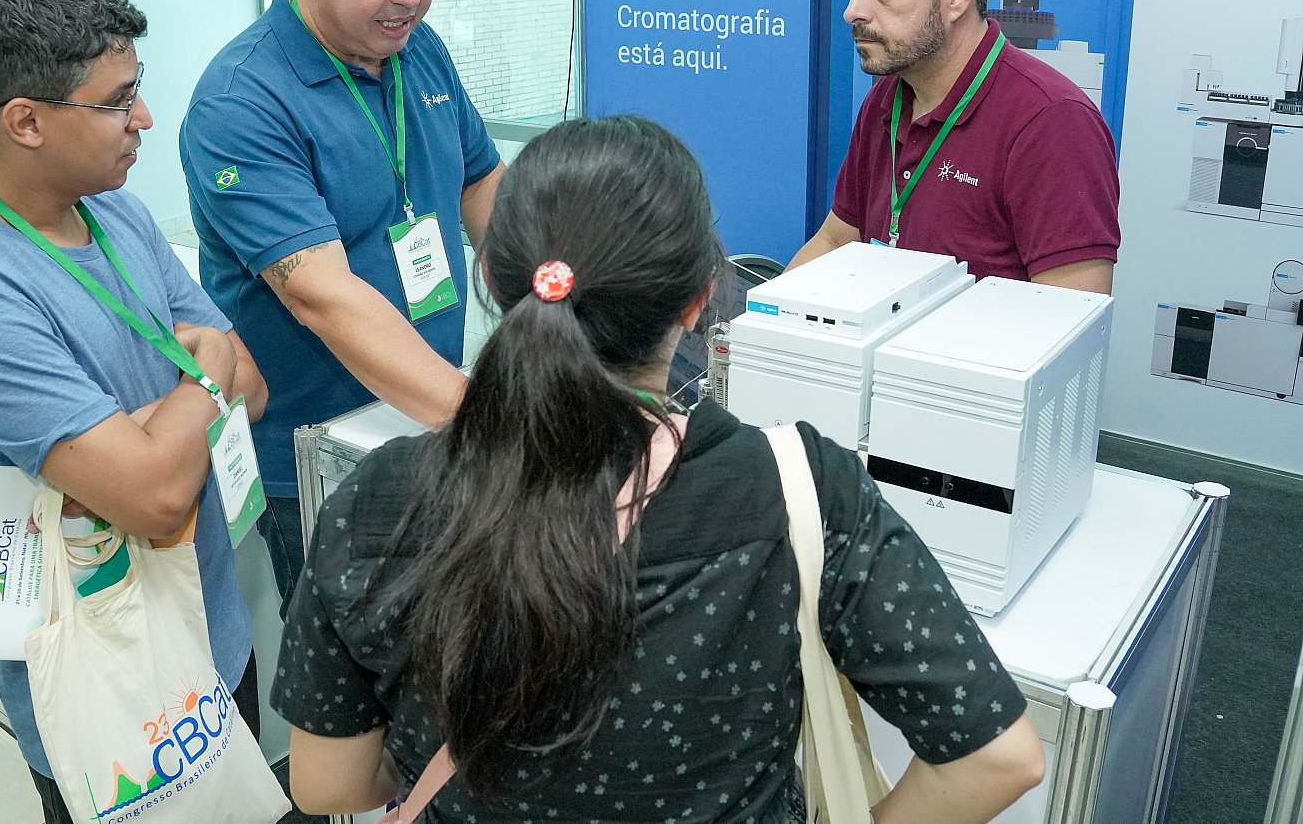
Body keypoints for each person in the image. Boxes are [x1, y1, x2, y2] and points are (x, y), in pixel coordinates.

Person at [271, 115, 1046, 823]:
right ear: (698, 301)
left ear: (499, 283)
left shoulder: (376, 502)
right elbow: (998, 758)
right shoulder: (796, 488)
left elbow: (326, 785)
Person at [0, 0, 268, 823]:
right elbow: (156, 493)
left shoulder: (113, 210)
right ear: (25, 120)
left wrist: (177, 411)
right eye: (118, 101)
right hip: (107, 692)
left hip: (212, 638)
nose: (145, 118)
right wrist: (203, 371)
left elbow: (253, 389)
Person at [181, 0, 504, 608]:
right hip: (317, 455)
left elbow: (482, 182)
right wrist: (487, 420)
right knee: (354, 652)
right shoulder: (243, 100)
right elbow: (321, 294)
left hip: (427, 416)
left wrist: (552, 309)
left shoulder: (417, 50)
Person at [791, 0, 1120, 292]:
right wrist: (759, 322)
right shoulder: (887, 97)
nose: (852, 11)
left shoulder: (1052, 121)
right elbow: (837, 238)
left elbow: (1074, 314)